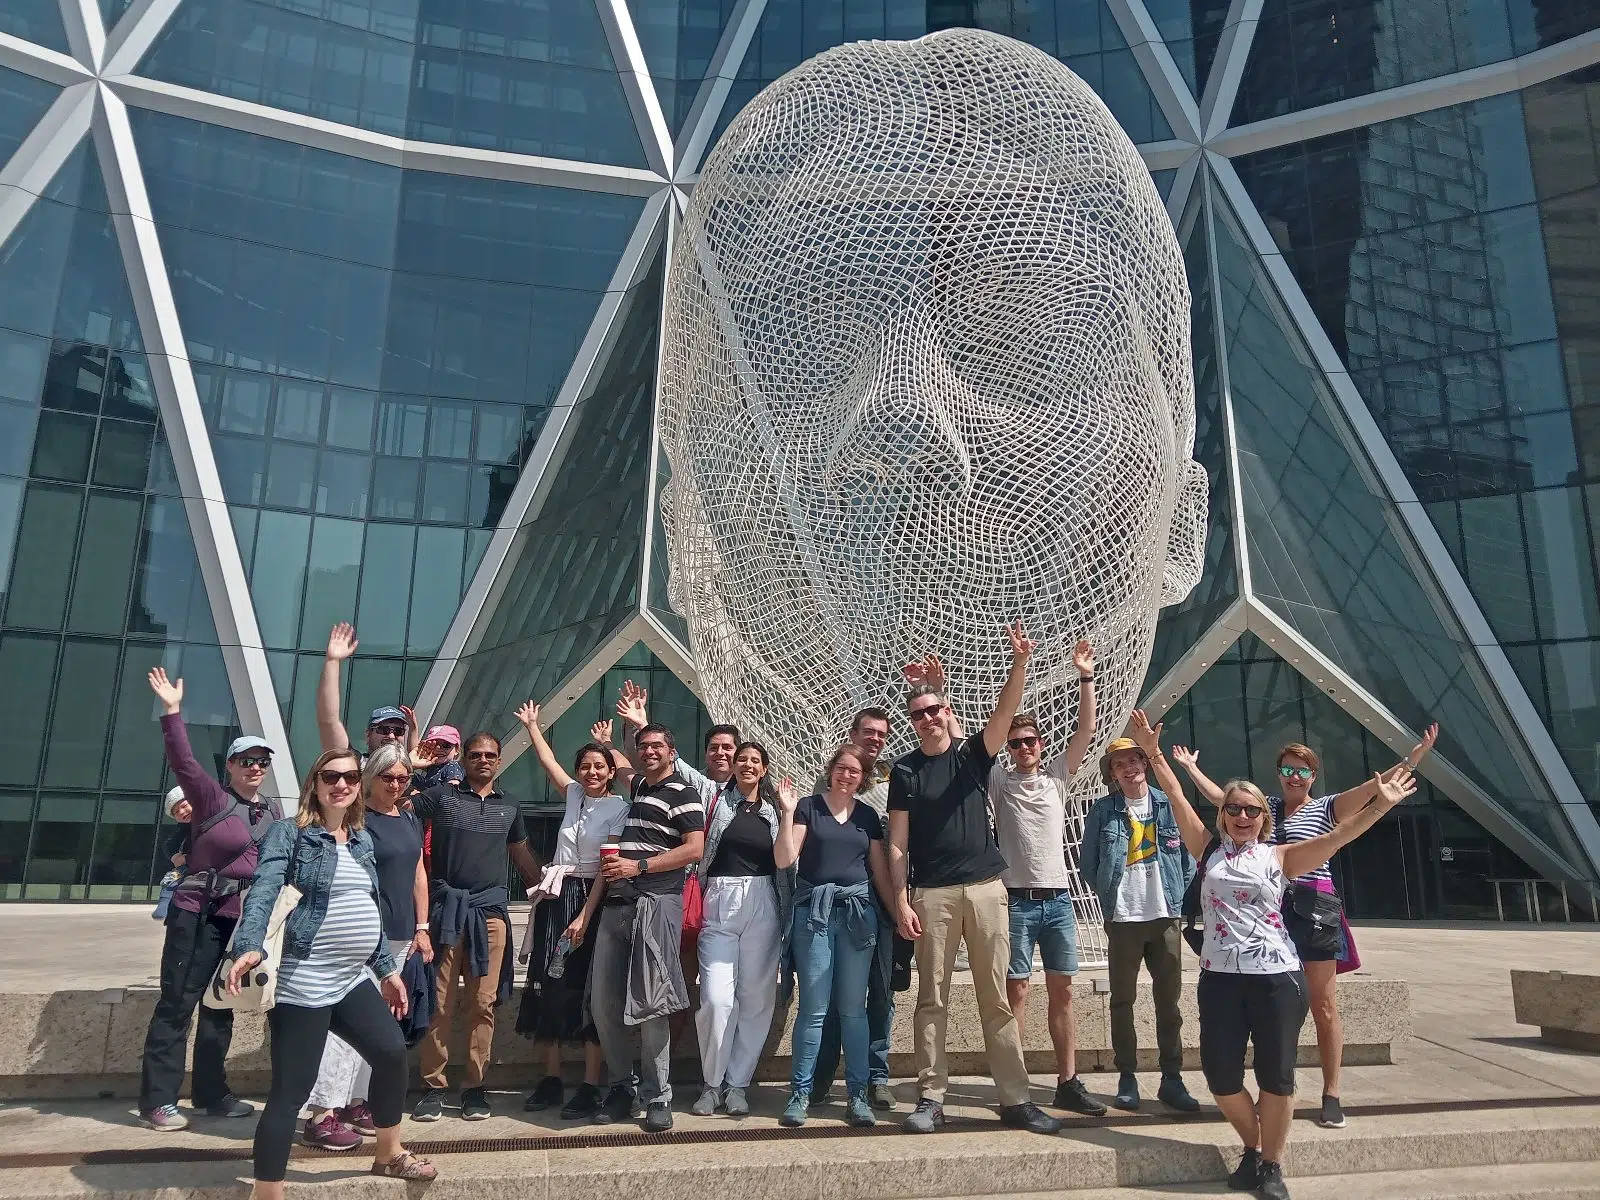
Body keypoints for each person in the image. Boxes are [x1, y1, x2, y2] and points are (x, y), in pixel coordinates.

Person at [1128, 711, 1416, 1200]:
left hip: (1277, 978)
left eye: (1252, 810)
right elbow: (1176, 796)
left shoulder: (1280, 856)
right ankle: (1256, 1145)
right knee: (1221, 1079)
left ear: (1265, 817)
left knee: (1276, 1077)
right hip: (1219, 979)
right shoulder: (1208, 850)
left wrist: (1378, 806)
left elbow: (1338, 836)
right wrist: (1153, 752)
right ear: (1223, 815)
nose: (1242, 816)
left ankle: (1269, 1165)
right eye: (1234, 809)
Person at [1169, 723, 1438, 1129]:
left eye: (1303, 770)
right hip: (1269, 909)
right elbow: (1222, 798)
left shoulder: (1326, 807)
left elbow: (1372, 791)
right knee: (1276, 1003)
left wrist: (1412, 758)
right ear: (1278, 774)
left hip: (1313, 907)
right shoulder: (1265, 810)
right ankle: (1273, 1090)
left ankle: (1332, 1093)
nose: (1295, 776)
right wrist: (1188, 768)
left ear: (1314, 775)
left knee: (1324, 1005)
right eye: (1288, 769)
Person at [226, 749, 436, 1195]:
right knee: (291, 1092)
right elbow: (264, 890)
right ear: (315, 783)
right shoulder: (292, 834)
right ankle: (268, 1192)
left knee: (391, 1052)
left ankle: (388, 1154)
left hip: (351, 977)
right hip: (304, 980)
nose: (341, 784)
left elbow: (370, 906)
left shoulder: (358, 837)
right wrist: (249, 947)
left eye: (350, 777)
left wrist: (385, 969)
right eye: (331, 776)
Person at [888, 621, 1062, 1136]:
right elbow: (897, 842)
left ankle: (1015, 1099)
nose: (926, 720)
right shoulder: (905, 772)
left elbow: (1005, 714)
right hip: (933, 894)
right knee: (931, 999)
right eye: (918, 714)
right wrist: (902, 900)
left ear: (948, 712)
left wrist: (1020, 663)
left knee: (996, 997)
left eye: (934, 711)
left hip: (987, 891)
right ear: (913, 721)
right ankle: (931, 1097)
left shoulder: (973, 758)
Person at [137, 667, 281, 1131]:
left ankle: (210, 1093)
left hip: (239, 920)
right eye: (247, 760)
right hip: (196, 914)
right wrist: (171, 712)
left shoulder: (276, 812)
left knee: (220, 1007)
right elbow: (183, 762)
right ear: (231, 766)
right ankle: (158, 1100)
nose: (256, 768)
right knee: (177, 1004)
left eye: (263, 761)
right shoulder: (212, 799)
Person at [986, 639, 1105, 1117]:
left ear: (1040, 745)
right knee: (1017, 991)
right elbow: (974, 739)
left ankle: (1068, 1081)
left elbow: (1086, 730)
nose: (1023, 749)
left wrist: (1085, 676)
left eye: (1029, 742)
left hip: (1058, 901)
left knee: (1063, 990)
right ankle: (1015, 1085)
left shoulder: (1057, 776)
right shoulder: (998, 780)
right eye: (1015, 743)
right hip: (1015, 901)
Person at [299, 744, 432, 1148]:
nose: (395, 784)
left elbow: (418, 874)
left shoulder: (408, 817)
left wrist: (422, 926)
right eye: (387, 777)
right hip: (359, 938)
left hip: (400, 936)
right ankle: (322, 1111)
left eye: (402, 778)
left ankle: (357, 1101)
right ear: (368, 778)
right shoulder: (357, 822)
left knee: (380, 1027)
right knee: (343, 1028)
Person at [411, 731, 542, 1122]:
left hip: (491, 915)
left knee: (484, 1003)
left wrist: (551, 890)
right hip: (447, 913)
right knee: (440, 1001)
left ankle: (474, 1087)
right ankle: (433, 1086)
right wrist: (413, 766)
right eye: (475, 754)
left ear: (500, 761)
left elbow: (521, 856)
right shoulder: (442, 798)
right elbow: (388, 805)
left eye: (490, 755)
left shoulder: (511, 806)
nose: (483, 760)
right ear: (464, 759)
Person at [513, 704, 629, 1121]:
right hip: (557, 895)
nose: (592, 772)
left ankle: (591, 1083)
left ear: (611, 772)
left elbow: (605, 866)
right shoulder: (575, 795)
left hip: (592, 898)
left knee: (590, 990)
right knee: (550, 981)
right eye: (586, 766)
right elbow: (547, 760)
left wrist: (585, 914)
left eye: (600, 766)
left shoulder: (619, 807)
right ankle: (550, 1078)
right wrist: (532, 726)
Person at [589, 721, 705, 1133]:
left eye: (658, 745)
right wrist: (609, 742)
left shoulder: (684, 794)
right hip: (618, 903)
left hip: (657, 903)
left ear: (672, 752)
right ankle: (622, 1087)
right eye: (644, 746)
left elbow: (694, 848)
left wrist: (637, 865)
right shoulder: (641, 787)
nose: (649, 751)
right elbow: (621, 767)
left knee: (652, 1005)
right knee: (603, 1004)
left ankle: (658, 1096)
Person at [1079, 729, 1200, 1114]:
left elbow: (1190, 857)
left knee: (1170, 1003)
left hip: (1164, 917)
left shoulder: (1168, 804)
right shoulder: (1103, 810)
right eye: (1119, 764)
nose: (1128, 768)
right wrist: (1109, 894)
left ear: (1145, 764)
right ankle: (1127, 1076)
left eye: (1133, 760)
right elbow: (1088, 863)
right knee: (1122, 1001)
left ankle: (1172, 1078)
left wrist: (1177, 896)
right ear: (1111, 773)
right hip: (1124, 917)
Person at [777, 743, 896, 1127]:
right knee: (813, 1008)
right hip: (815, 915)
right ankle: (801, 1092)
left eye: (855, 771)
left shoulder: (867, 816)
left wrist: (898, 914)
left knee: (853, 1010)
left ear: (863, 778)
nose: (847, 775)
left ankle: (857, 1095)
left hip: (859, 918)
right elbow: (784, 858)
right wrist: (786, 813)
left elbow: (878, 871)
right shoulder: (808, 807)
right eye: (842, 768)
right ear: (831, 770)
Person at [612, 681, 737, 1043]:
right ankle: (673, 1060)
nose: (720, 754)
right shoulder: (695, 786)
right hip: (683, 889)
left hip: (728, 897)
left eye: (728, 748)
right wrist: (638, 724)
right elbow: (654, 761)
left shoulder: (758, 796)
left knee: (711, 982)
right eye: (714, 748)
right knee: (673, 975)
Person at [691, 741, 791, 1118]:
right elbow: (678, 768)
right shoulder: (716, 800)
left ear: (764, 768)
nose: (747, 765)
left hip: (763, 900)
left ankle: (737, 1084)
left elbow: (787, 858)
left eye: (755, 760)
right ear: (732, 767)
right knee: (716, 1000)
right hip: (719, 900)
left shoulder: (774, 812)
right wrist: (638, 723)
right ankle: (711, 1083)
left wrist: (787, 810)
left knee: (756, 999)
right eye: (741, 760)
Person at [808, 705, 896, 1111]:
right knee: (828, 996)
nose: (875, 739)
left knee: (879, 995)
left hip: (881, 901)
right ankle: (822, 1078)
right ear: (853, 732)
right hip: (840, 905)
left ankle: (876, 1077)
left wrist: (898, 907)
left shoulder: (898, 777)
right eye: (868, 732)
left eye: (881, 734)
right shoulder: (827, 787)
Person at [315, 622, 414, 756]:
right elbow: (328, 721)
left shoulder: (409, 772)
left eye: (398, 731)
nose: (391, 736)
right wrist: (333, 662)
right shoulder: (355, 766)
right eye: (383, 730)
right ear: (368, 735)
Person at [152, 787, 192, 922]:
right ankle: (164, 904)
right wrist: (175, 857)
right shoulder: (184, 829)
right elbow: (169, 845)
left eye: (184, 806)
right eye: (176, 812)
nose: (181, 812)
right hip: (187, 864)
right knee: (170, 879)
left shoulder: (210, 820)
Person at [411, 725, 465, 792]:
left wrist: (421, 797)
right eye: (434, 744)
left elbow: (452, 792)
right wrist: (413, 729)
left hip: (435, 799)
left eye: (446, 745)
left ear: (456, 750)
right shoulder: (436, 764)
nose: (438, 749)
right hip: (426, 792)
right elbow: (417, 753)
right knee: (408, 776)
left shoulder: (452, 767)